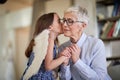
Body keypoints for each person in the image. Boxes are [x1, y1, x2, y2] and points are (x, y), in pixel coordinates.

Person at [58, 6, 111, 80]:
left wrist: (77, 61)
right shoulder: (62, 48)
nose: (64, 25)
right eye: (64, 20)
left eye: (70, 21)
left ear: (83, 26)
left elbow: (99, 78)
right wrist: (65, 64)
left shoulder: (96, 44)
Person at [21, 12, 69, 80]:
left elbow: (48, 62)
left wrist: (59, 57)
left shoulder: (50, 41)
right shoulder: (49, 41)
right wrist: (64, 57)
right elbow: (48, 66)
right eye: (58, 21)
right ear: (50, 27)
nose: (62, 23)